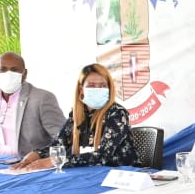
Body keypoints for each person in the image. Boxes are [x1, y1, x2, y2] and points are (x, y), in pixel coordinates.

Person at [11, 63, 139, 170]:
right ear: (81, 89)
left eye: (103, 85)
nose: (98, 89)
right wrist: (36, 155)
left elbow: (103, 156)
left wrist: (54, 161)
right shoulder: (78, 115)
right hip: (90, 173)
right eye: (91, 85)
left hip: (120, 176)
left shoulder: (117, 114)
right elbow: (58, 145)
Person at [0, 52, 66, 156]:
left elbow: (64, 139)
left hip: (31, 165)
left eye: (14, 70)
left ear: (24, 74)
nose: (8, 74)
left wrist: (40, 156)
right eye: (3, 70)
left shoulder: (42, 98)